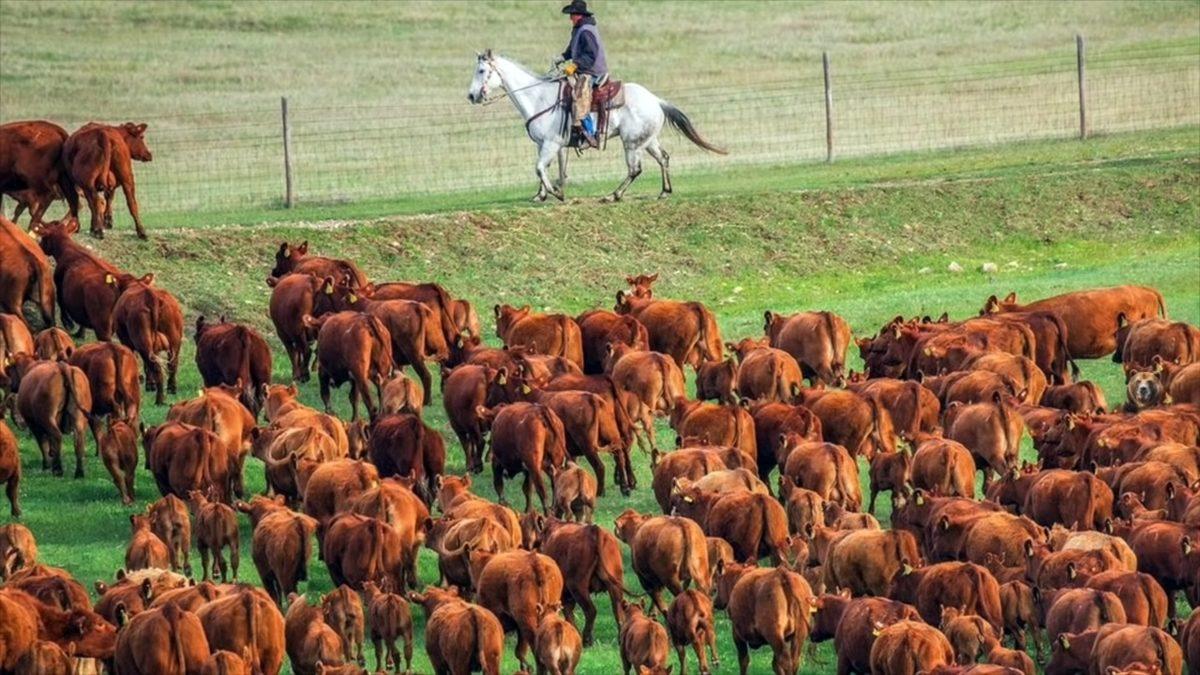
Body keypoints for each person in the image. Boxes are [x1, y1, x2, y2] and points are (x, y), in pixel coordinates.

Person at [554, 0, 608, 148]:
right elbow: (573, 49)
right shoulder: (578, 29)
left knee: (580, 96)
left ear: (578, 15)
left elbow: (591, 55)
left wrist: (575, 65)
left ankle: (589, 134)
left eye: (572, 15)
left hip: (592, 70)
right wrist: (563, 57)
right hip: (583, 68)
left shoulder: (586, 31)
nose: (570, 18)